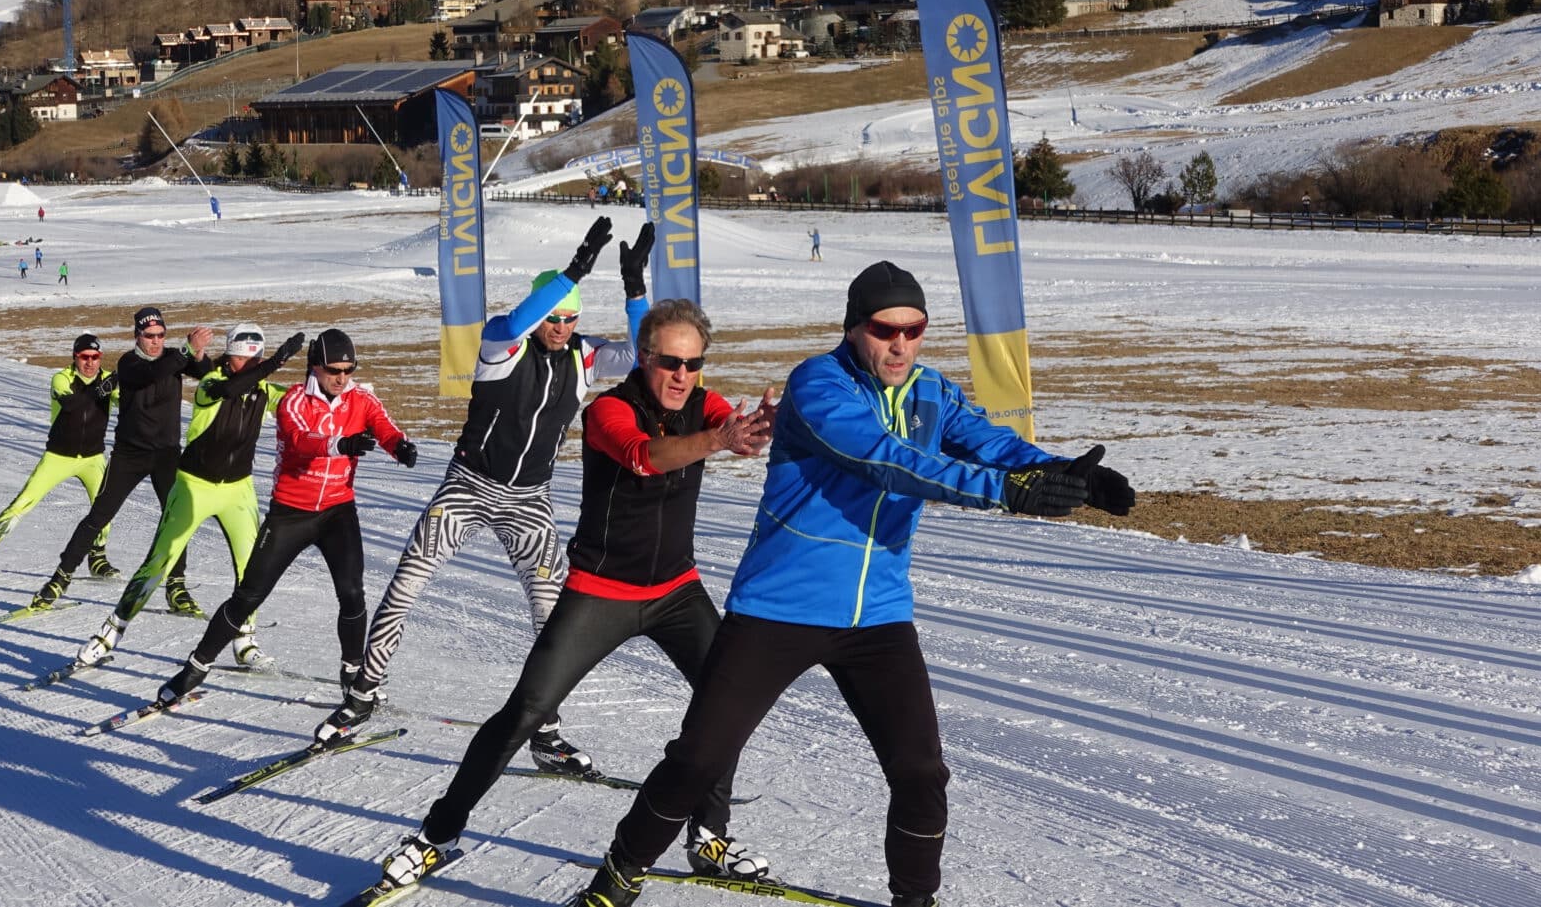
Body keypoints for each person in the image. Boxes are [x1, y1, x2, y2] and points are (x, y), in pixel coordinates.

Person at [572, 262, 1136, 907]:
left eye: (913, 330)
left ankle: (914, 901)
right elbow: (889, 462)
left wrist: (1068, 474)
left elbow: (991, 444)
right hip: (778, 611)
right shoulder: (818, 384)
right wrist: (1010, 493)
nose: (900, 344)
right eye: (884, 329)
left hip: (877, 617)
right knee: (698, 760)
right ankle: (616, 880)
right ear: (853, 327)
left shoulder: (932, 392)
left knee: (922, 773)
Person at [374, 298, 779, 894]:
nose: (682, 376)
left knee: (727, 703)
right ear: (643, 357)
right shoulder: (607, 410)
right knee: (525, 712)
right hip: (600, 591)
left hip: (675, 589)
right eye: (669, 362)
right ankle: (438, 835)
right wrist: (719, 442)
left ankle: (708, 835)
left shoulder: (705, 405)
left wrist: (764, 427)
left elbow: (734, 426)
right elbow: (644, 458)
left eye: (693, 365)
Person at [315, 218, 650, 777]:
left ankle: (546, 732)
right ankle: (363, 694)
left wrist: (634, 288)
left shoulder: (583, 359)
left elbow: (642, 355)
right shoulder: (502, 344)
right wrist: (570, 271)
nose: (562, 328)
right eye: (554, 318)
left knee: (553, 619)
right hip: (468, 488)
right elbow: (517, 320)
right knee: (406, 588)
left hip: (530, 501)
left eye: (571, 319)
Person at [153, 329, 417, 703]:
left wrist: (399, 446)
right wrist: (341, 444)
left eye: (348, 370)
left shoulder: (360, 398)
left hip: (337, 510)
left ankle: (353, 674)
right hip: (291, 513)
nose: (342, 378)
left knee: (353, 593)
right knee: (249, 595)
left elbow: (383, 426)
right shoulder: (295, 399)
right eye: (334, 370)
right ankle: (195, 667)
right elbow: (300, 440)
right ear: (315, 367)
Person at [72, 324, 305, 667]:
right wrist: (275, 361)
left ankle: (245, 641)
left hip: (238, 489)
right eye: (245, 357)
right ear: (231, 355)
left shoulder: (263, 389)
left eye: (257, 358)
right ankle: (110, 633)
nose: (253, 363)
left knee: (252, 568)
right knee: (159, 562)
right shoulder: (211, 382)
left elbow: (301, 402)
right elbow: (228, 390)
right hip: (194, 486)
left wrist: (317, 375)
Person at [31, 308, 215, 611]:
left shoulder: (174, 357)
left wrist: (199, 354)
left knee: (176, 519)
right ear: (137, 337)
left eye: (160, 335)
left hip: (167, 454)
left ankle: (176, 586)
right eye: (149, 336)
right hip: (129, 455)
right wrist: (185, 351)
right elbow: (152, 374)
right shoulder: (128, 363)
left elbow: (206, 374)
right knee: (99, 515)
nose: (155, 342)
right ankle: (60, 577)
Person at [0, 334, 118, 573]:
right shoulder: (62, 378)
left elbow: (129, 402)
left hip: (92, 458)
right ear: (75, 357)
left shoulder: (108, 380)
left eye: (95, 357)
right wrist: (103, 389)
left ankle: (98, 558)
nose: (90, 363)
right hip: (58, 457)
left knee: (105, 506)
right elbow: (73, 405)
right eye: (84, 357)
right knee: (23, 502)